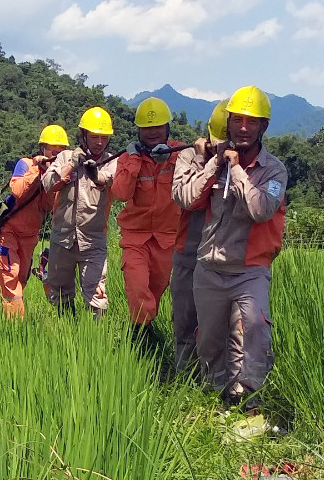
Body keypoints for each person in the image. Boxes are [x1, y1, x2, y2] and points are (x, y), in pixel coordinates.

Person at [175, 86, 287, 410]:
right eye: (237, 120)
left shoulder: (273, 170)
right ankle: (217, 397)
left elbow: (260, 209)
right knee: (209, 341)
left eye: (251, 122)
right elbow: (186, 198)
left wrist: (236, 169)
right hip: (209, 266)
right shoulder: (214, 163)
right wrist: (212, 164)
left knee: (254, 328)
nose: (242, 127)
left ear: (263, 127)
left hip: (249, 269)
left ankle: (250, 396)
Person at [110, 98, 183, 354]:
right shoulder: (129, 159)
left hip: (166, 239)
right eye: (146, 128)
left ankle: (144, 334)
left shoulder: (179, 155)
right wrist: (133, 161)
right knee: (138, 288)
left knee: (155, 292)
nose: (152, 132)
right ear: (138, 131)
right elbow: (120, 193)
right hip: (136, 238)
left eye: (158, 127)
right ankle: (140, 341)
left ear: (167, 129)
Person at [170, 100, 229, 376]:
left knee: (221, 327)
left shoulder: (244, 163)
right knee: (185, 322)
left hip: (224, 258)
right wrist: (208, 161)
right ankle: (184, 380)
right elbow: (185, 198)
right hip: (189, 252)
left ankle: (217, 382)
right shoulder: (188, 158)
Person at [42, 107, 117, 319]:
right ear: (83, 135)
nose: (99, 142)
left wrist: (96, 175)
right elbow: (48, 183)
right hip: (62, 240)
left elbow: (111, 181)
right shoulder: (65, 156)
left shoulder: (112, 161)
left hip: (93, 242)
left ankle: (96, 339)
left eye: (104, 137)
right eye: (94, 136)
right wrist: (70, 165)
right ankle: (68, 331)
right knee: (58, 293)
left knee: (96, 298)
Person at [0, 125, 69, 319]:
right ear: (42, 148)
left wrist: (51, 178)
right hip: (10, 231)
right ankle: (15, 326)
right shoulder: (26, 164)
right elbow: (17, 191)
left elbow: (49, 207)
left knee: (21, 279)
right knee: (11, 276)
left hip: (30, 236)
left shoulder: (57, 174)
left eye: (61, 151)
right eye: (53, 149)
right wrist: (37, 170)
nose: (56, 154)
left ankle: (14, 319)